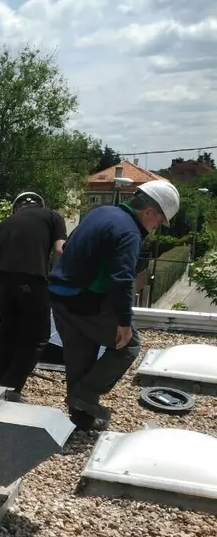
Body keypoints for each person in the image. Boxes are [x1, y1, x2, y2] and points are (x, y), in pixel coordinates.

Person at [48, 180, 180, 430]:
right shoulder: (129, 232)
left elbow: (68, 246)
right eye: (160, 220)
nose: (158, 226)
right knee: (128, 345)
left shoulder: (100, 212)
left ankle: (81, 419)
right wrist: (123, 322)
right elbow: (122, 280)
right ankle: (84, 397)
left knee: (80, 355)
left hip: (58, 295)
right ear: (149, 211)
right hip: (83, 299)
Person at [0, 192, 67, 401]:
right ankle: (11, 388)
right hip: (30, 280)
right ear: (40, 205)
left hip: (1, 283)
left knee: (8, 332)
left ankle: (0, 385)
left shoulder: (5, 223)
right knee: (38, 336)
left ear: (17, 208)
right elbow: (60, 251)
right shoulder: (53, 217)